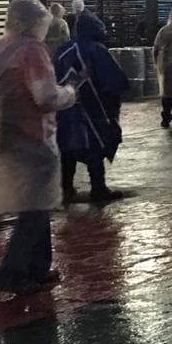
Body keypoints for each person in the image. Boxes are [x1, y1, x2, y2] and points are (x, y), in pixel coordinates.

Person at [0, 0, 78, 296]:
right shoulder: (31, 51)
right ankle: (11, 272)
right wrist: (69, 93)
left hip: (2, 137)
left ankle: (38, 267)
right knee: (35, 211)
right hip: (31, 139)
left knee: (36, 205)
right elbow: (44, 97)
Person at [55, 10, 129, 203]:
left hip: (65, 107)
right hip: (92, 108)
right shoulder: (96, 49)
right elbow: (114, 80)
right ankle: (98, 188)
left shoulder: (63, 50)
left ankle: (66, 188)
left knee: (68, 147)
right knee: (95, 145)